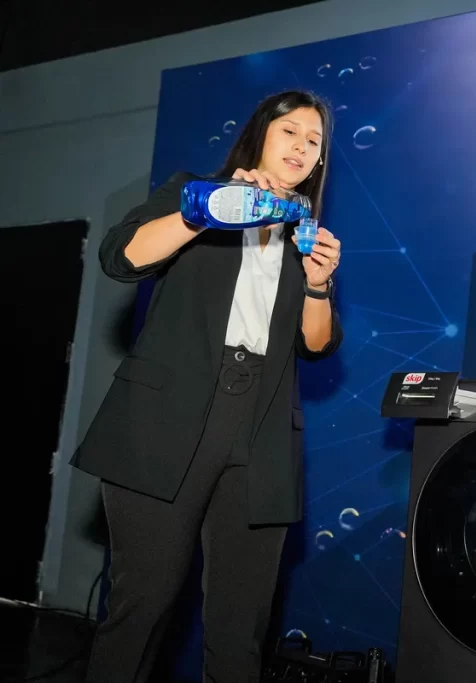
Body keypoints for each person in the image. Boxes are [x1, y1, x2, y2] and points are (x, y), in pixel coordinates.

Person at [72, 89, 344, 682]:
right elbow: (119, 257)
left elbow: (317, 344)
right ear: (259, 135)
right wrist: (208, 210)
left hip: (262, 429)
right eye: (290, 131)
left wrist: (318, 284)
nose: (302, 147)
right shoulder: (195, 192)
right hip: (167, 418)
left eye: (314, 141)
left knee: (241, 629)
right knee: (141, 611)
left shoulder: (305, 232)